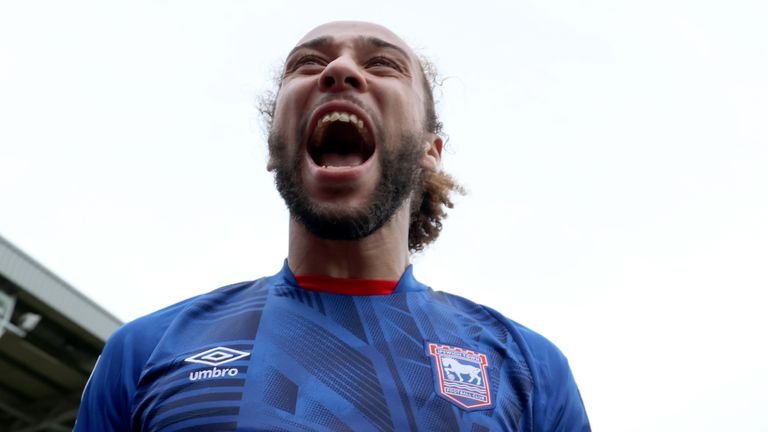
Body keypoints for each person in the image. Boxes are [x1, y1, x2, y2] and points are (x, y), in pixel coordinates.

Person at [75, 21, 590, 431]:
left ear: (431, 152)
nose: (339, 70)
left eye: (383, 64)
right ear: (275, 145)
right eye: (309, 63)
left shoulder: (527, 369)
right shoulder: (147, 350)